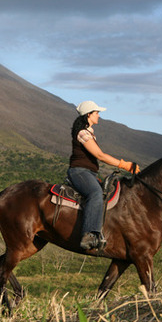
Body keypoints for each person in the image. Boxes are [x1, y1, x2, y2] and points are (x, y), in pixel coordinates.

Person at [67, 101, 140, 250]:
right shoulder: (83, 133)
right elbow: (100, 155)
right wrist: (124, 165)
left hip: (90, 173)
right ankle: (89, 235)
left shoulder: (89, 132)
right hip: (79, 172)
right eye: (96, 113)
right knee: (96, 193)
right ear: (89, 114)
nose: (99, 116)